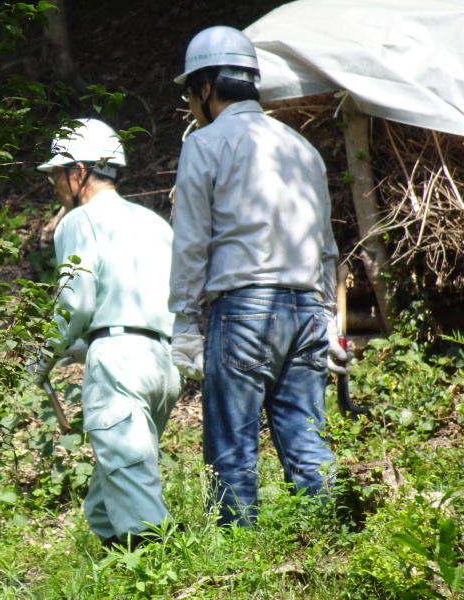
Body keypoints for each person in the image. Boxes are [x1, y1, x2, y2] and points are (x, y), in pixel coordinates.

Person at [168, 26, 348, 526]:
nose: (189, 102)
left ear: (205, 87)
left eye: (190, 91)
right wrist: (329, 317)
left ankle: (237, 561)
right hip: (307, 308)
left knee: (231, 446)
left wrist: (184, 320)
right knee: (305, 436)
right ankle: (327, 540)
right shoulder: (300, 148)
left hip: (244, 309)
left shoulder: (204, 145)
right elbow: (325, 243)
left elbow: (191, 242)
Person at [30, 118, 183, 547]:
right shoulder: (155, 224)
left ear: (78, 172)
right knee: (106, 502)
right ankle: (122, 569)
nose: (55, 187)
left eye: (57, 176)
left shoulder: (78, 222)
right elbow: (141, 306)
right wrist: (80, 346)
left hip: (119, 367)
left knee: (134, 497)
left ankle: (162, 575)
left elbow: (75, 302)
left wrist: (44, 356)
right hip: (164, 365)